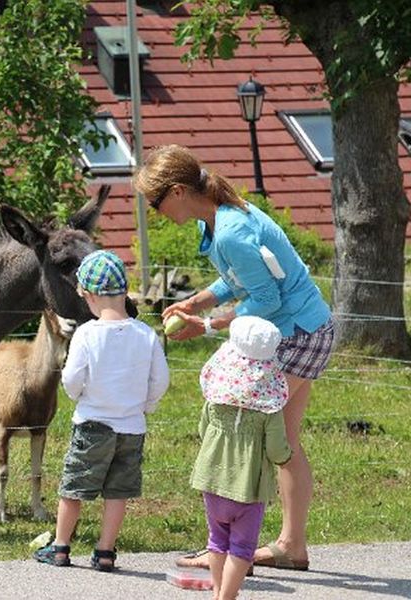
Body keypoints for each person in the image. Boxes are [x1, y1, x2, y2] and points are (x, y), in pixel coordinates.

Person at [134, 144, 335, 571]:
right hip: (307, 327)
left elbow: (264, 296)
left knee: (239, 431)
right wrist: (196, 300)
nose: (155, 211)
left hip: (295, 333)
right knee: (284, 442)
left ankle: (223, 546)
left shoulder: (230, 230)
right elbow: (236, 280)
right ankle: (291, 546)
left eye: (155, 202)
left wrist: (206, 326)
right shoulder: (220, 219)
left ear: (176, 192)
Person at [33, 250, 169, 571]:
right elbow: (160, 380)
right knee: (118, 491)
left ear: (89, 295)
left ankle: (61, 546)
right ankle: (105, 551)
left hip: (93, 424)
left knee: (74, 487)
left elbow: (72, 378)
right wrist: (144, 406)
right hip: (132, 428)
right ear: (123, 292)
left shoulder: (87, 334)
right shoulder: (146, 334)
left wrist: (78, 396)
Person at [192, 316, 292, 600]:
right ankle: (227, 597)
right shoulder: (269, 407)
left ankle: (216, 591)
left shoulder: (215, 397)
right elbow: (275, 449)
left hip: (212, 479)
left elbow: (203, 430)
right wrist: (286, 457)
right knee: (242, 547)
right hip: (248, 488)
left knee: (217, 540)